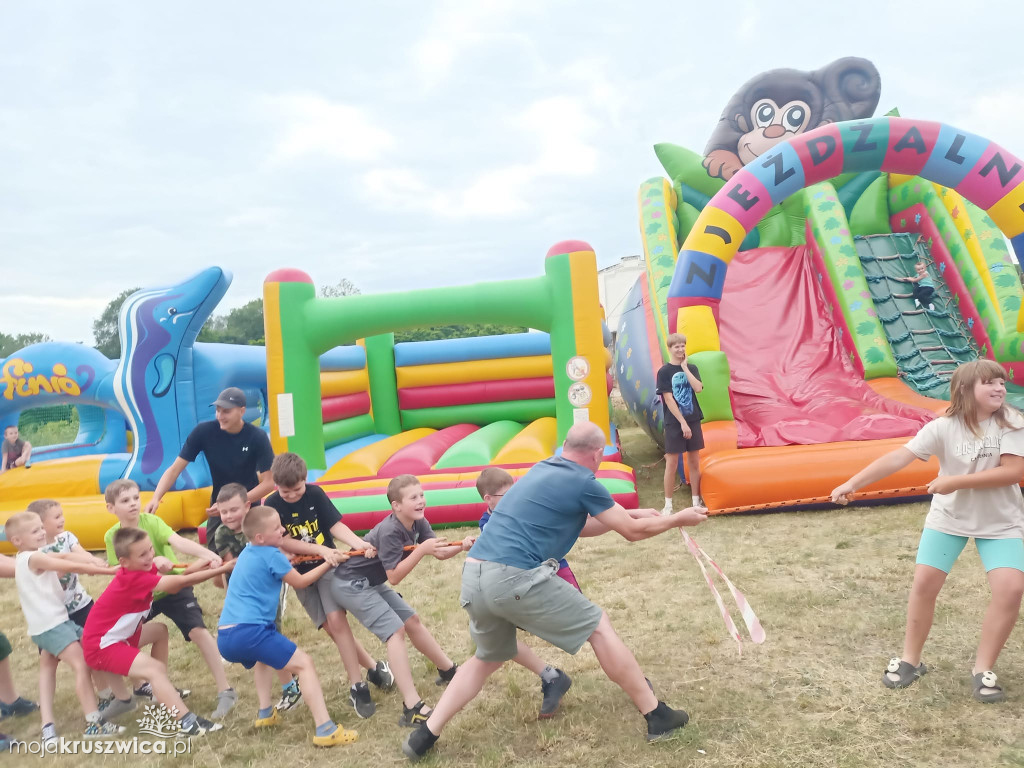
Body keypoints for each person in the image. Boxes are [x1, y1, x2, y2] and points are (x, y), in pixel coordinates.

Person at [401, 422, 708, 761]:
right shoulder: (582, 479)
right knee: (598, 626)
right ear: (596, 454)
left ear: (564, 445)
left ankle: (424, 736)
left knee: (485, 659)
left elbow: (583, 524)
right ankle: (657, 715)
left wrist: (631, 513)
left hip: (474, 575)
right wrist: (677, 518)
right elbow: (632, 533)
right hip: (511, 577)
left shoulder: (543, 469)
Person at [831, 360, 1024, 703]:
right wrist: (852, 483)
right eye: (989, 383)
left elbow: (1012, 472)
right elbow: (898, 458)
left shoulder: (1011, 422)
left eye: (1001, 382)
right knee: (924, 584)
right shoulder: (943, 427)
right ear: (966, 389)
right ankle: (910, 661)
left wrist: (954, 481)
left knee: (1011, 589)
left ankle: (983, 670)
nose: (999, 388)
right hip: (949, 520)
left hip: (1001, 522)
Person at [263, 452, 395, 719]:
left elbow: (335, 525)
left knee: (338, 622)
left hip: (329, 569)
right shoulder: (272, 503)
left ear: (305, 480)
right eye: (285, 492)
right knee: (330, 629)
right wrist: (320, 549)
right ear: (276, 486)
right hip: (300, 575)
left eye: (296, 490)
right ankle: (372, 666)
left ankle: (356, 686)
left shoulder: (316, 494)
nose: (290, 496)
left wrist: (358, 544)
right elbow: (284, 541)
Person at [217, 505, 358, 747]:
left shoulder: (249, 551)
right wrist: (328, 560)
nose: (283, 529)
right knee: (305, 665)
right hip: (252, 631)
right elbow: (301, 582)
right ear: (260, 537)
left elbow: (273, 563)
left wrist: (284, 558)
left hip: (226, 636)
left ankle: (265, 715)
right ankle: (326, 729)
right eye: (277, 529)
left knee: (264, 659)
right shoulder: (271, 555)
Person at [329, 474, 463, 728]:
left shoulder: (418, 521)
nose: (421, 500)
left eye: (422, 495)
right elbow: (395, 576)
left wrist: (463, 546)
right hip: (351, 583)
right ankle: (412, 707)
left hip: (369, 581)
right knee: (395, 631)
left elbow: (440, 551)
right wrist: (422, 550)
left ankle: (449, 670)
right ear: (396, 506)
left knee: (411, 620)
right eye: (413, 497)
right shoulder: (391, 530)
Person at [103, 478, 238, 719]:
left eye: (136, 497)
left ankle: (225, 690)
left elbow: (179, 541)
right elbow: (121, 573)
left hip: (173, 587)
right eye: (125, 500)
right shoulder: (111, 536)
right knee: (121, 638)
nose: (133, 503)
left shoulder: (152, 521)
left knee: (198, 631)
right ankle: (142, 686)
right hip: (143, 595)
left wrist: (207, 553)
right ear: (111, 508)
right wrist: (152, 564)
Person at [84, 528, 232, 736]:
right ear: (124, 562)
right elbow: (178, 583)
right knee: (154, 669)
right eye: (142, 554)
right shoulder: (134, 579)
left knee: (160, 631)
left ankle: (159, 690)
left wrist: (207, 563)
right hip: (102, 646)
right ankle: (187, 723)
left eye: (150, 549)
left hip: (117, 638)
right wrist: (220, 570)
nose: (150, 556)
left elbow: (181, 574)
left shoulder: (142, 570)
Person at [4, 510, 124, 743]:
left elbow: (66, 558)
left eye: (41, 527)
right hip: (52, 626)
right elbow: (66, 565)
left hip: (53, 624)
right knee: (83, 664)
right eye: (35, 530)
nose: (41, 533)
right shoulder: (33, 558)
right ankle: (94, 723)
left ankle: (48, 727)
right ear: (17, 540)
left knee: (83, 653)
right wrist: (108, 571)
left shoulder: (30, 556)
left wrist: (92, 559)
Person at [475, 467, 574, 718]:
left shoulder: (525, 508)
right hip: (522, 585)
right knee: (498, 635)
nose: (512, 499)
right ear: (488, 500)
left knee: (590, 629)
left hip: (554, 571)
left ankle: (634, 677)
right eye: (505, 496)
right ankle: (552, 677)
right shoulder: (487, 522)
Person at [30, 499, 136, 721]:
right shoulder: (35, 552)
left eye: (62, 514)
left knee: (95, 648)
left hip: (81, 605)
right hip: (54, 616)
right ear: (41, 523)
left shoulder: (66, 537)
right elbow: (66, 563)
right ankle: (47, 718)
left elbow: (80, 553)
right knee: (49, 661)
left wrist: (97, 563)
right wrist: (93, 568)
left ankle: (107, 694)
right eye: (56, 517)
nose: (62, 519)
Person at [145, 387, 275, 550]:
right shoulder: (204, 432)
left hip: (248, 504)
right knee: (216, 560)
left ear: (242, 411)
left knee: (256, 557)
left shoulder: (257, 437)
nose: (220, 416)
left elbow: (269, 483)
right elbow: (175, 469)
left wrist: (237, 503)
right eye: (218, 410)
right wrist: (156, 497)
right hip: (218, 506)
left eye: (226, 411)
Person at [212, 483, 302, 712]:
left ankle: (290, 686)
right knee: (265, 646)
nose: (229, 516)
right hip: (242, 593)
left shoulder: (262, 525)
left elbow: (279, 547)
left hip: (266, 590)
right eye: (224, 512)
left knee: (273, 637)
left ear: (247, 506)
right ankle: (288, 686)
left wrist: (284, 559)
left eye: (233, 510)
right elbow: (230, 566)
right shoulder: (221, 534)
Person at [656, 333, 706, 513]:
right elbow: (669, 399)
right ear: (669, 349)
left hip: (693, 418)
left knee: (694, 461)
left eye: (683, 345)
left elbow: (698, 388)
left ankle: (696, 501)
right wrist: (682, 423)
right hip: (675, 422)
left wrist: (685, 368)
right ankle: (668, 505)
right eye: (676, 346)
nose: (680, 349)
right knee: (671, 462)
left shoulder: (691, 368)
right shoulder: (664, 372)